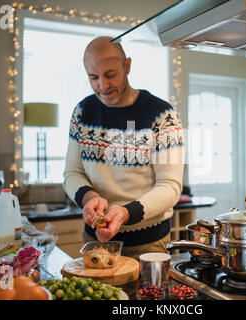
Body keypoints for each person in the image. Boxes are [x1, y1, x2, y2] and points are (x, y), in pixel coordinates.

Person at [63, 36, 184, 260]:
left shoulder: (162, 115)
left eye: (110, 75)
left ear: (127, 66)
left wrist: (127, 213)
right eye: (94, 77)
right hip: (96, 241)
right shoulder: (82, 112)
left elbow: (170, 187)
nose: (103, 85)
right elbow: (72, 173)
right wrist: (88, 198)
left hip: (148, 244)